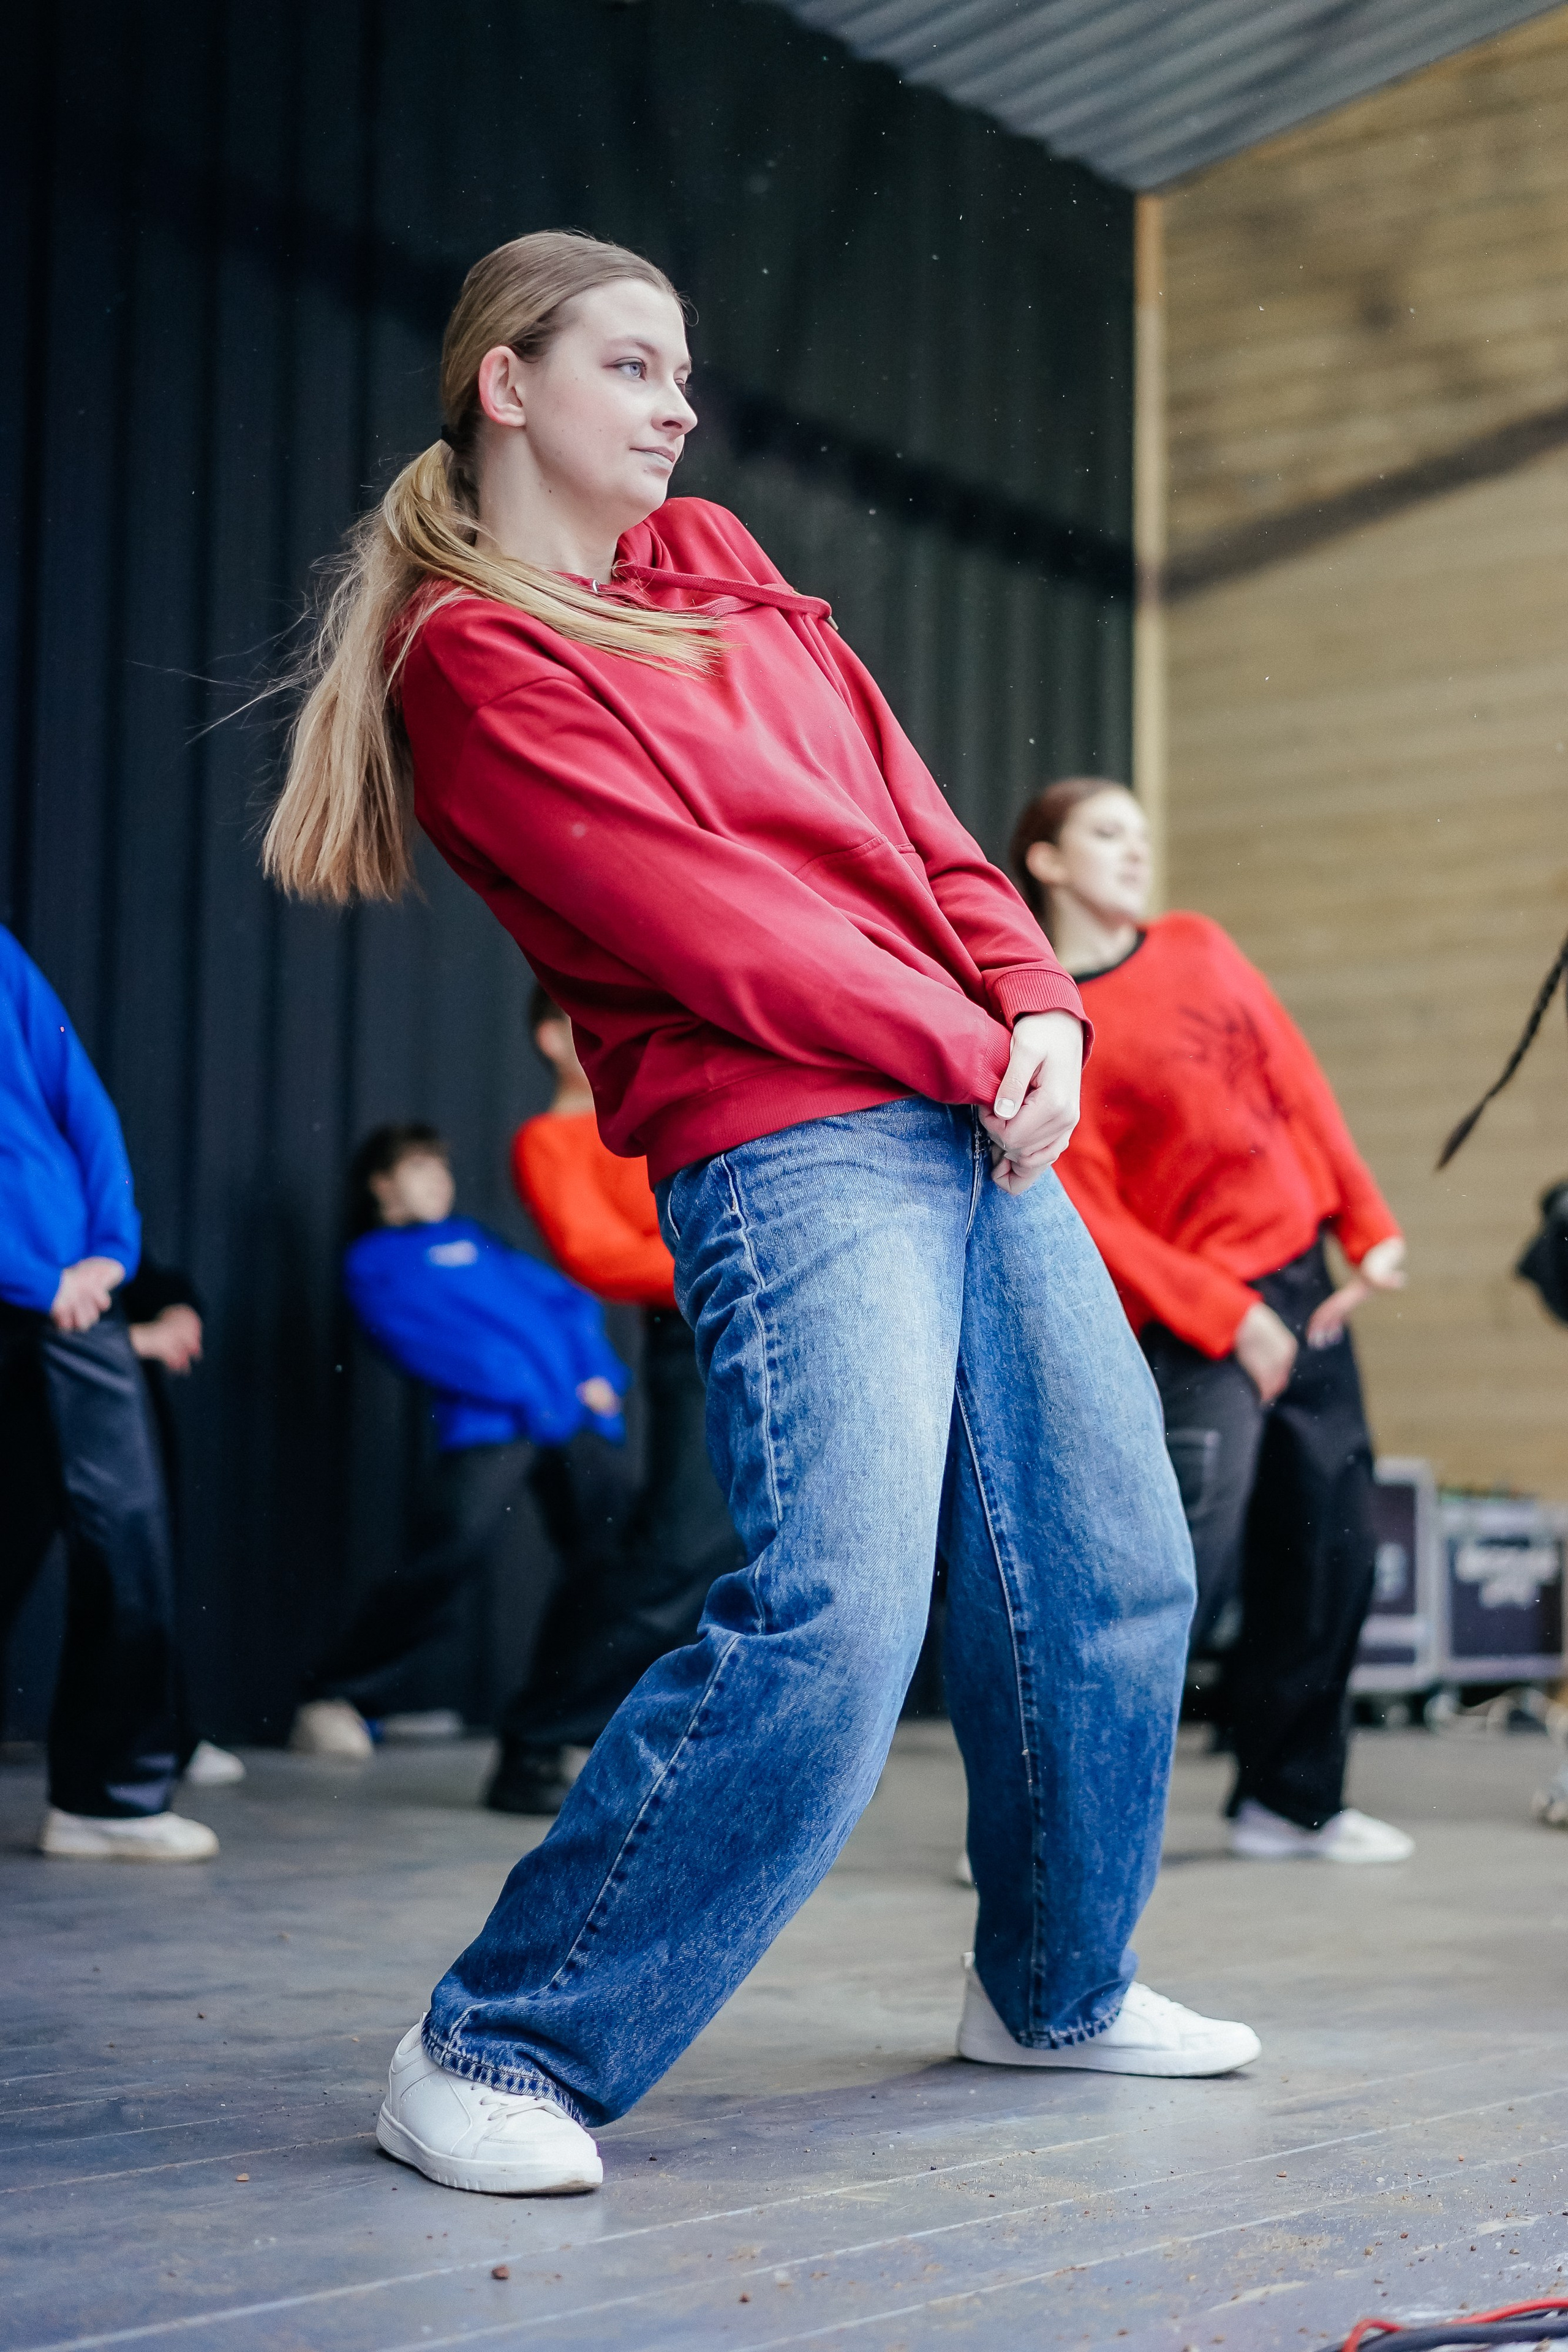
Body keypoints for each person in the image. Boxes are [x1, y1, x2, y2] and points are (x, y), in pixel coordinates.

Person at [263, 230, 1259, 2201]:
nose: (676, 406)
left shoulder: (712, 564)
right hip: (799, 1135)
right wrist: (977, 1041)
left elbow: (912, 821)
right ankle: (499, 2038)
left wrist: (1038, 999)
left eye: (682, 373)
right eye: (631, 368)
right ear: (506, 385)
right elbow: (709, 926)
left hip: (972, 1103)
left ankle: (1054, 1987)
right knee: (836, 1609)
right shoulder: (467, 663)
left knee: (1112, 1558)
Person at [1011, 776, 1413, 1867]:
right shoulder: (1054, 1018)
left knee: (1333, 1551)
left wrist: (1366, 1221)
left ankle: (1288, 1801)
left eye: (1142, 833)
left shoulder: (1198, 944)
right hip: (1191, 1317)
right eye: (1106, 832)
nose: (1135, 851)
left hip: (1304, 1282)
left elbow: (1296, 1083)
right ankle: (1047, 1821)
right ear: (1045, 861)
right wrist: (1228, 1316)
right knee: (1170, 1573)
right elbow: (1085, 1209)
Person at [289, 1123, 628, 1758]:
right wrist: (534, 1391)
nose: (438, 1180)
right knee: (449, 1556)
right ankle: (339, 1696)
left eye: (440, 1167)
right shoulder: (375, 1261)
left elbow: (565, 1303)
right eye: (419, 1167)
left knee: (614, 1554)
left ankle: (571, 1715)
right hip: (496, 1424)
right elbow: (431, 1341)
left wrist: (596, 1372)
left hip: (571, 1417)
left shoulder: (477, 1242)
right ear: (380, 1183)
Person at [487, 987, 744, 1815]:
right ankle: (537, 1738)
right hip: (695, 1329)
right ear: (547, 1039)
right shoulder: (550, 1139)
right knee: (673, 1550)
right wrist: (723, 1254)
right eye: (578, 1019)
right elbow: (597, 1257)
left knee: (739, 1546)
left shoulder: (651, 1122)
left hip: (746, 1318)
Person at [0, 924, 217, 1861]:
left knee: (126, 1535)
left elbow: (79, 1101)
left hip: (69, 1300)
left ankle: (108, 1795)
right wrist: (30, 1274)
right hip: (38, 1289)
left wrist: (107, 1256)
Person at [119, 1259, 246, 1787]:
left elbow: (139, 1266)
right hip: (31, 1390)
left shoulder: (85, 1186)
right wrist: (127, 1340)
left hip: (115, 1398)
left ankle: (167, 1737)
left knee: (138, 1580)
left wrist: (174, 1312)